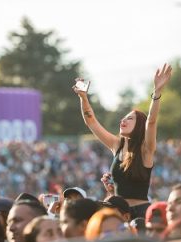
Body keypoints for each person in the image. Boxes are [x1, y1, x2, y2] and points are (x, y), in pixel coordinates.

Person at [73, 63, 172, 219]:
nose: (123, 120)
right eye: (124, 117)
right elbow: (91, 122)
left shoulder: (146, 149)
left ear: (139, 125)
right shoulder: (116, 145)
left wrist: (157, 91)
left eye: (130, 118)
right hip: (116, 212)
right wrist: (83, 98)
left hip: (140, 214)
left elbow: (151, 122)